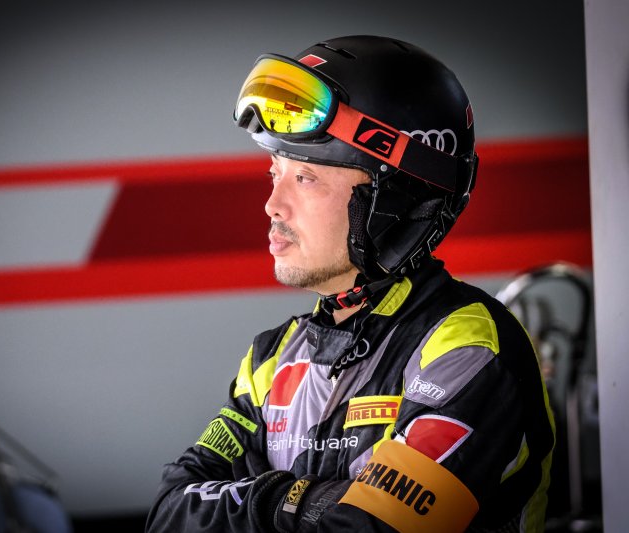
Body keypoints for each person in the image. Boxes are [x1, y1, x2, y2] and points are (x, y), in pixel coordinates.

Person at [145, 35, 555, 533]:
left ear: (394, 198)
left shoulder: (465, 347)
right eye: (275, 173)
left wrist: (254, 504)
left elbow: (374, 528)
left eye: (305, 178)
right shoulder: (270, 360)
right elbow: (168, 511)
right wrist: (289, 502)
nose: (273, 205)